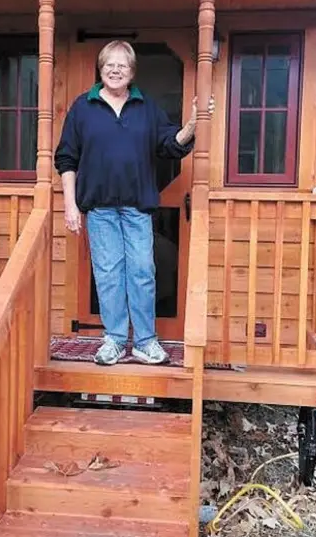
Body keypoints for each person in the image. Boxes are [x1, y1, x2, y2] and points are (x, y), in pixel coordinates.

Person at [54, 40, 209, 366]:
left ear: (132, 72)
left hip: (137, 208)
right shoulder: (83, 107)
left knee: (142, 272)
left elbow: (171, 144)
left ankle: (144, 341)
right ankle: (112, 340)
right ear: (101, 69)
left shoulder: (146, 108)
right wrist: (70, 205)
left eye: (122, 65)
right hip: (99, 208)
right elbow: (66, 159)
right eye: (109, 64)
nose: (115, 69)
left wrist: (193, 124)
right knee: (109, 274)